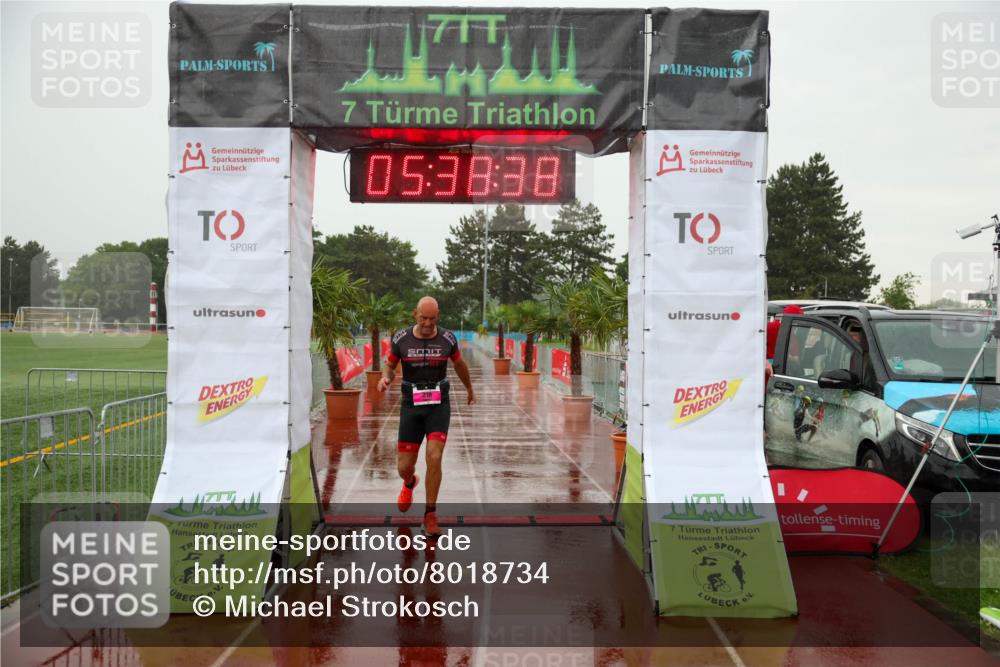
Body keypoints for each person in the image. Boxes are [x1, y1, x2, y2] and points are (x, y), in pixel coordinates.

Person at [378, 296, 475, 537]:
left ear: (438, 316)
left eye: (432, 319)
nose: (428, 323)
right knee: (404, 467)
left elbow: (460, 365)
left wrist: (469, 388)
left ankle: (430, 516)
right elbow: (389, 365)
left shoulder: (447, 339)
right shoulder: (401, 338)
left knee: (434, 456)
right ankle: (410, 482)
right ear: (415, 315)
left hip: (438, 405)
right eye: (424, 318)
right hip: (411, 405)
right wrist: (386, 377)